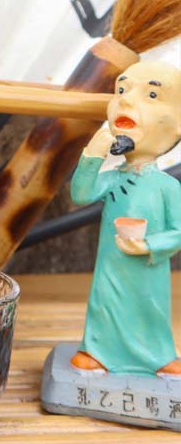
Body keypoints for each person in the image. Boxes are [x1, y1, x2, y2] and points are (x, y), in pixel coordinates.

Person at [70, 60, 181, 377]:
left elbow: (179, 231)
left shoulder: (167, 187)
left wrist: (148, 246)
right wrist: (93, 155)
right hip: (111, 266)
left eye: (152, 95)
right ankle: (97, 351)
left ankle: (157, 356)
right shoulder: (113, 179)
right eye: (121, 90)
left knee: (150, 307)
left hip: (148, 269)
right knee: (105, 303)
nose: (127, 100)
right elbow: (81, 194)